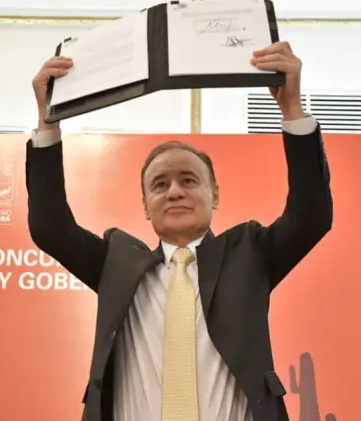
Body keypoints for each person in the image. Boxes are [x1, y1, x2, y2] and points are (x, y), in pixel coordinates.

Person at [26, 41, 333, 421]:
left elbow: (311, 216)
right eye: (159, 185)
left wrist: (292, 110)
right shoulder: (114, 263)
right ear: (145, 205)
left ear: (214, 194)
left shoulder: (250, 253)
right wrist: (48, 122)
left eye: (188, 180)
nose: (174, 191)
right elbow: (50, 227)